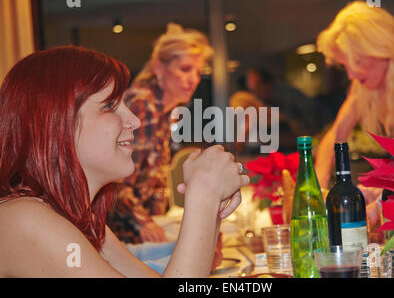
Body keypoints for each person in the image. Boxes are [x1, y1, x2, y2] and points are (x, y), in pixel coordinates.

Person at [0, 46, 247, 277]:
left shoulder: (85, 222)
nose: (134, 121)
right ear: (55, 122)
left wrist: (212, 205)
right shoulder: (25, 219)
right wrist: (202, 196)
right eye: (109, 106)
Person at [314, 0, 394, 190]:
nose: (351, 74)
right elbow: (336, 135)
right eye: (345, 65)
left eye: (356, 61)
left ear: (380, 47)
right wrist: (317, 190)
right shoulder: (363, 85)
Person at [107, 23, 214, 244]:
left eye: (198, 72)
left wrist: (158, 219)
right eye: (185, 69)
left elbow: (153, 178)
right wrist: (144, 222)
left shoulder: (164, 110)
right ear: (158, 68)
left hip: (140, 230)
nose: (193, 79)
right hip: (118, 236)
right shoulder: (141, 105)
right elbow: (115, 180)